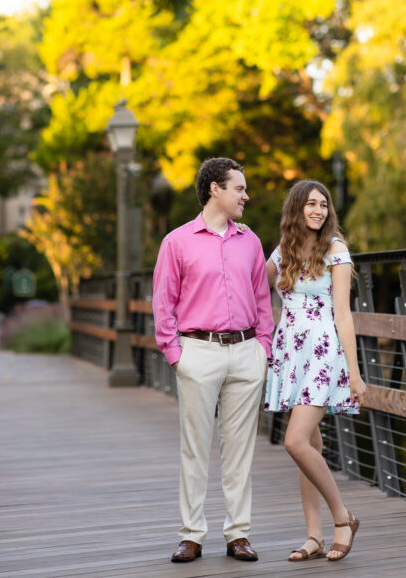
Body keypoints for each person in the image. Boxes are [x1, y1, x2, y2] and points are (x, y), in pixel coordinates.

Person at [152, 157, 274, 563]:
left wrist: (263, 348)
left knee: (240, 450)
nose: (246, 195)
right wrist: (176, 355)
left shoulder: (251, 242)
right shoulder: (177, 242)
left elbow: (262, 299)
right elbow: (163, 303)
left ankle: (238, 534)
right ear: (214, 190)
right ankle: (192, 535)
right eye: (239, 188)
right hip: (197, 352)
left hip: (245, 353)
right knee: (196, 447)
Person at [264, 179, 366, 562]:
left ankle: (344, 518)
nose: (318, 210)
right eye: (310, 204)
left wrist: (354, 373)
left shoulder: (335, 249)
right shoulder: (284, 250)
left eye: (323, 205)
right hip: (291, 352)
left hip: (323, 353)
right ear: (296, 209)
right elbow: (255, 279)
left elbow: (343, 314)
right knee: (309, 444)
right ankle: (314, 537)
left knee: (294, 441)